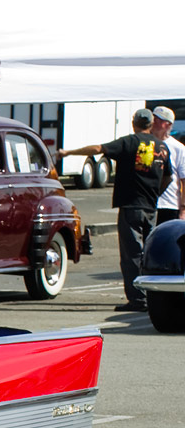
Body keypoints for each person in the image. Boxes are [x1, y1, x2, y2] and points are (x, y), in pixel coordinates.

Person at [61, 107, 171, 310]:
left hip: (130, 205)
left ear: (134, 122)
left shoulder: (129, 142)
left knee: (131, 256)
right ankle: (151, 296)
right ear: (150, 124)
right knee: (147, 254)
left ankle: (138, 300)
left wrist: (69, 153)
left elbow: (97, 150)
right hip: (150, 207)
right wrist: (155, 194)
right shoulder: (162, 147)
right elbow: (169, 177)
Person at [152, 106, 184, 225]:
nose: (153, 122)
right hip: (148, 204)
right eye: (153, 118)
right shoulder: (145, 142)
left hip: (169, 204)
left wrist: (183, 208)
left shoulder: (178, 148)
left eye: (157, 120)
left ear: (167, 124)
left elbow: (183, 179)